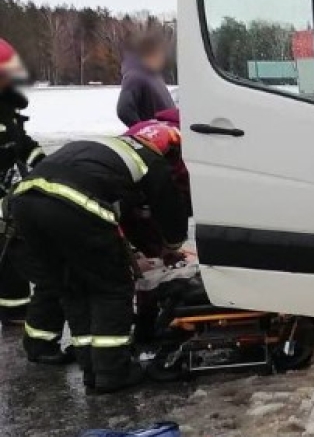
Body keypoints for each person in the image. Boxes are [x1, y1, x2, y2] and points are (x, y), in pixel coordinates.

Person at [8, 121, 188, 392]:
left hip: (24, 204)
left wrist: (146, 248)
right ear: (169, 147)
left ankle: (91, 368)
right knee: (111, 288)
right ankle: (113, 372)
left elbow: (127, 218)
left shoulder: (106, 147)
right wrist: (171, 246)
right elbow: (170, 210)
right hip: (73, 204)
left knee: (73, 286)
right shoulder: (152, 160)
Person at [0, 38, 44, 325]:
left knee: (12, 242)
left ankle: (15, 307)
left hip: (7, 188)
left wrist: (43, 163)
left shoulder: (7, 106)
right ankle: (14, 309)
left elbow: (21, 142)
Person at [115, 31, 177, 127]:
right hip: (154, 138)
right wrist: (143, 131)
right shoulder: (134, 77)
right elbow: (124, 110)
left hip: (168, 135)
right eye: (159, 55)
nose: (162, 59)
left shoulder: (153, 75)